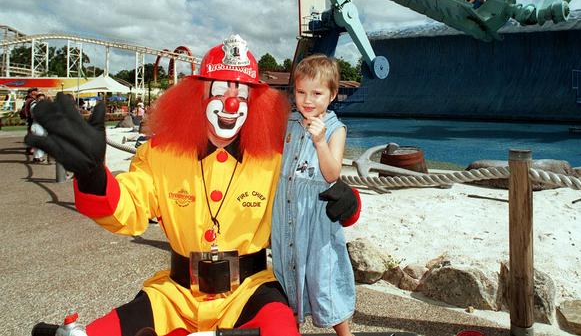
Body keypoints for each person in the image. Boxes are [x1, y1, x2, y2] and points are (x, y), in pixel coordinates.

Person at [27, 34, 359, 336]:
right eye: (219, 90)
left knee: (280, 331)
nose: (231, 104)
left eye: (241, 95)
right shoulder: (161, 153)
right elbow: (130, 207)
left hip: (249, 290)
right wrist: (94, 177)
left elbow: (307, 186)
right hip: (175, 294)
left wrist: (350, 203)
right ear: (198, 95)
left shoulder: (273, 156)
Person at [272, 54, 357, 336]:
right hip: (287, 212)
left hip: (317, 217)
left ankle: (345, 333)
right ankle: (290, 327)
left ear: (332, 95)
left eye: (317, 93)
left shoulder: (335, 129)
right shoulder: (289, 122)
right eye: (301, 92)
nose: (308, 100)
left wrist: (320, 141)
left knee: (324, 276)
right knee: (287, 269)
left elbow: (332, 173)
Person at [30, 93, 48, 163]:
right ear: (36, 99)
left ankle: (36, 157)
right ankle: (38, 158)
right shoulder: (35, 106)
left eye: (42, 99)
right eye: (39, 99)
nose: (41, 100)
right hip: (37, 126)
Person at [21, 87, 38, 155]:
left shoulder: (28, 99)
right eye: (34, 91)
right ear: (31, 93)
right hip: (31, 118)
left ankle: (29, 148)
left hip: (30, 118)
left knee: (31, 133)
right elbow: (27, 110)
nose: (36, 92)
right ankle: (31, 149)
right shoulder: (30, 100)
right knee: (32, 133)